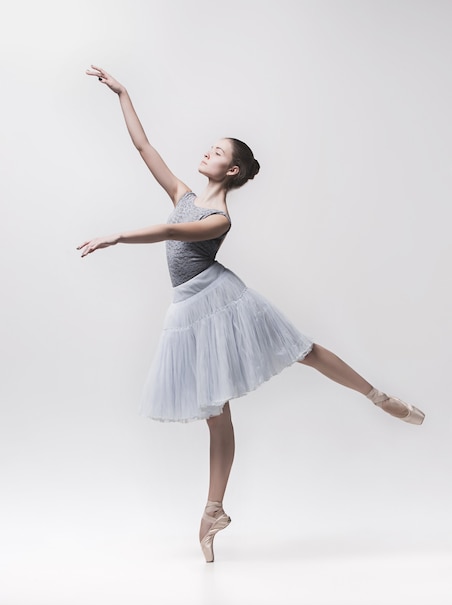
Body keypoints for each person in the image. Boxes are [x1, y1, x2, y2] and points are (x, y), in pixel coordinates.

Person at [78, 65, 425, 563]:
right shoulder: (183, 195)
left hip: (224, 301)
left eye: (217, 153)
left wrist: (117, 235)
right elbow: (144, 147)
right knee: (216, 417)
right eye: (210, 148)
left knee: (302, 349)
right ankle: (213, 510)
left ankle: (379, 396)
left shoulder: (218, 217)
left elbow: (173, 234)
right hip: (190, 311)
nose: (207, 153)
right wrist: (124, 94)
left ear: (232, 171)